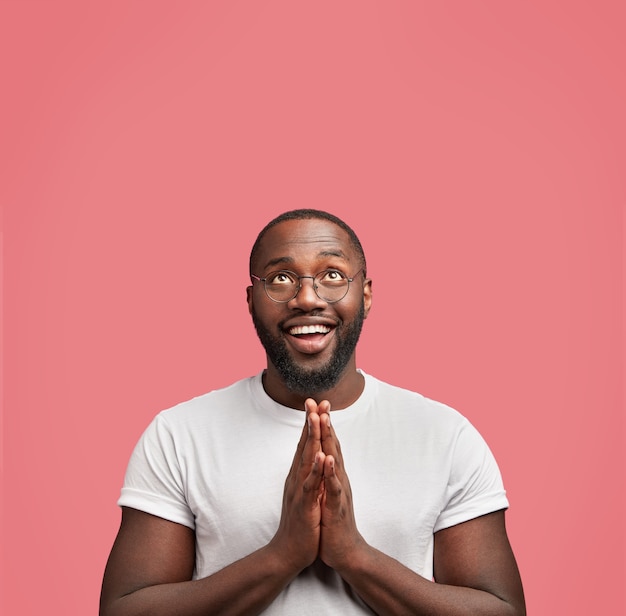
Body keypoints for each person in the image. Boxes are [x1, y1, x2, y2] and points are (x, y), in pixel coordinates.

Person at [100, 209, 525, 616]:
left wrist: (353, 556)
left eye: (332, 275)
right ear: (251, 301)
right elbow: (124, 609)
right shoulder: (178, 436)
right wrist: (282, 554)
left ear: (367, 294)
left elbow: (502, 610)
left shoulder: (445, 436)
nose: (307, 298)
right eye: (281, 278)